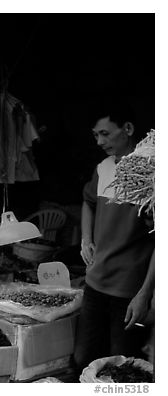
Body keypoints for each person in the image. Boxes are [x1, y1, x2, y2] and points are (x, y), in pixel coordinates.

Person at [74, 102, 155, 373]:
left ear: (128, 129)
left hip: (129, 291)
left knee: (122, 368)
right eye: (95, 135)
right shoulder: (103, 168)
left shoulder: (150, 174)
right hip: (95, 284)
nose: (99, 141)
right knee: (82, 358)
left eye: (105, 134)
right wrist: (86, 239)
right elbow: (87, 202)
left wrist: (144, 295)